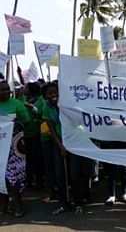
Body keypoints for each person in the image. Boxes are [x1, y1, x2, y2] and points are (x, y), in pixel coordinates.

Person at [0, 81, 30, 217]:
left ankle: (18, 205)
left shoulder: (17, 104)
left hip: (14, 149)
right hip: (1, 148)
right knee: (1, 176)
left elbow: (26, 120)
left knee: (13, 178)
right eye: (1, 90)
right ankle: (4, 205)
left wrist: (15, 121)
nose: (5, 92)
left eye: (7, 89)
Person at [42, 82, 69, 215]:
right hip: (58, 143)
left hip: (72, 141)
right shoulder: (46, 109)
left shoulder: (66, 103)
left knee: (74, 173)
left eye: (55, 92)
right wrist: (60, 146)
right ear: (45, 96)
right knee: (59, 174)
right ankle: (63, 202)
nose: (53, 95)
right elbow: (51, 130)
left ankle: (77, 201)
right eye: (50, 93)